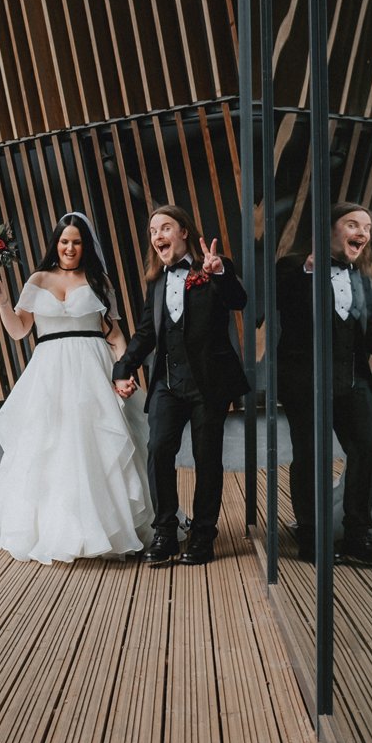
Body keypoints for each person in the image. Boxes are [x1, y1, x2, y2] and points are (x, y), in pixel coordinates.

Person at [0, 212, 151, 564]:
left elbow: (114, 335)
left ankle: (108, 529)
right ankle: (57, 530)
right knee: (50, 447)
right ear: (56, 243)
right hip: (49, 373)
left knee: (97, 446)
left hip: (93, 370)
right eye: (65, 241)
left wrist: (124, 371)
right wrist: (2, 300)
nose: (70, 248)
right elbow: (19, 330)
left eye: (77, 242)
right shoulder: (37, 280)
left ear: (85, 246)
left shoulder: (98, 280)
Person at [112, 205, 249, 566]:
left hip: (209, 383)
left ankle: (203, 534)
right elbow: (146, 332)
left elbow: (239, 300)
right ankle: (165, 531)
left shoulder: (214, 267)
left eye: (165, 228)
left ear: (184, 231)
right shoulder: (157, 281)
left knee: (207, 458)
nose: (157, 235)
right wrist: (123, 368)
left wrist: (219, 273)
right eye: (153, 231)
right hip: (167, 383)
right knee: (158, 450)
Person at [275, 202, 372, 565]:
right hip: (305, 381)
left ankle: (358, 534)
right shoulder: (292, 267)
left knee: (366, 449)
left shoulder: (360, 278)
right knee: (310, 456)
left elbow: (371, 329)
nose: (362, 233)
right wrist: (309, 270)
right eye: (353, 224)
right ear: (327, 229)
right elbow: (280, 302)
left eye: (367, 228)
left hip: (353, 379)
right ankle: (311, 536)